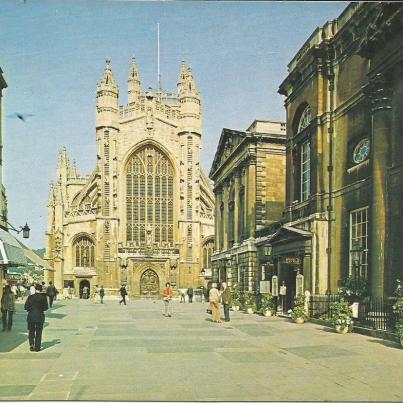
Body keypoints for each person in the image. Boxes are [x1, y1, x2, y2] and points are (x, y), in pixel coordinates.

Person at [24, 283, 49, 352]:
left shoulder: (30, 297)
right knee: (38, 332)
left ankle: (32, 345)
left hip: (31, 316)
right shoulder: (43, 297)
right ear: (41, 289)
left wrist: (30, 309)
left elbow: (25, 307)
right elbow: (46, 307)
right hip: (40, 316)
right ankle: (37, 347)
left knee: (31, 331)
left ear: (35, 289)